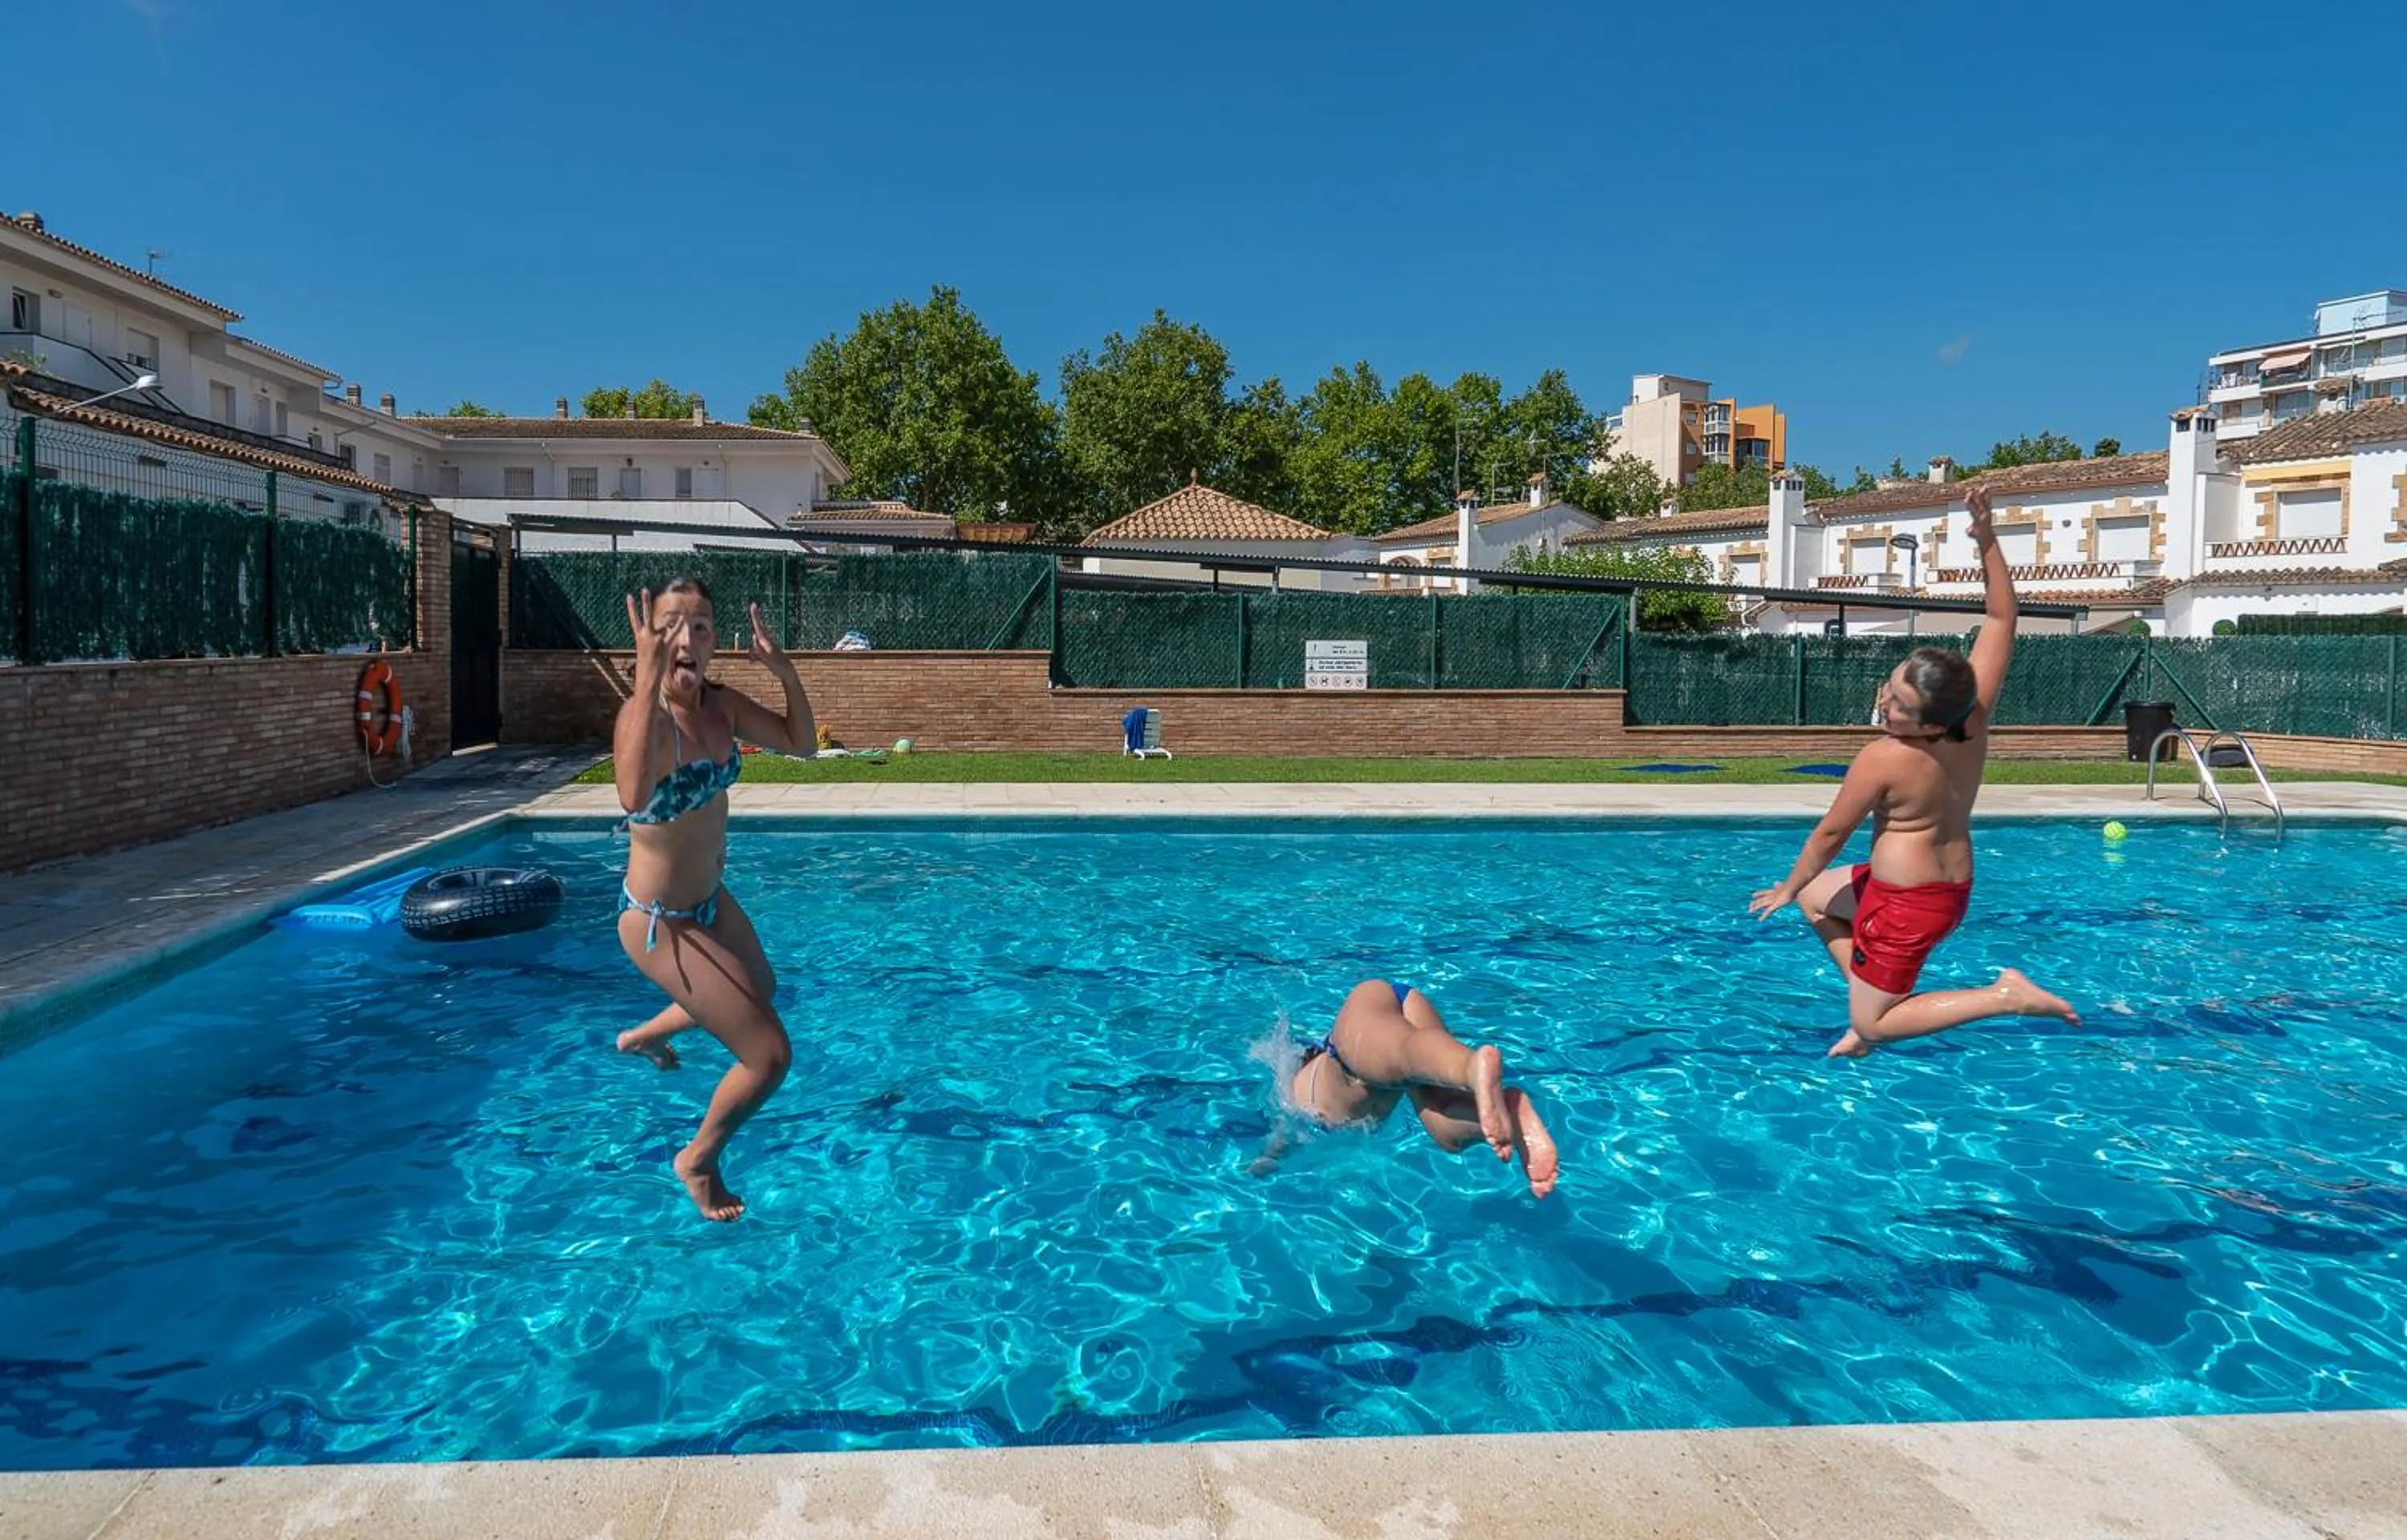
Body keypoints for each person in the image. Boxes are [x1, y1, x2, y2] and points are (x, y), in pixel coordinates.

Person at [1749, 484, 2080, 1057]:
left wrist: (1787, 884)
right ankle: (1870, 998)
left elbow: (1832, 833)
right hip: (1941, 890)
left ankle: (2002, 996)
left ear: (1929, 725)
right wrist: (1987, 542)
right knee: (1818, 903)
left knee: (1875, 1025)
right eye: (1894, 685)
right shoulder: (1971, 715)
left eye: (1900, 707)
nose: (1886, 705)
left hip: (1905, 906)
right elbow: (2004, 617)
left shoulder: (1886, 757)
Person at [610, 578, 814, 1221]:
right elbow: (633, 794)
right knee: (769, 1054)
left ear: (714, 642)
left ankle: (644, 1037)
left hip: (709, 902)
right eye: (672, 624)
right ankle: (697, 1160)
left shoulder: (721, 707)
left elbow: (802, 743)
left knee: (762, 986)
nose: (688, 637)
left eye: (701, 626)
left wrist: (786, 674)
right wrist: (645, 683)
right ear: (651, 637)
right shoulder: (645, 717)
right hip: (658, 923)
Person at [1257, 979, 1559, 1198]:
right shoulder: (1309, 1092)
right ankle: (1511, 1116)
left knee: (1404, 1054)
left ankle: (1472, 1067)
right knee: (1445, 1130)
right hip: (1402, 1012)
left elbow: (1276, 1151)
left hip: (1366, 1016)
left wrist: (1251, 1174)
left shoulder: (1297, 1103)